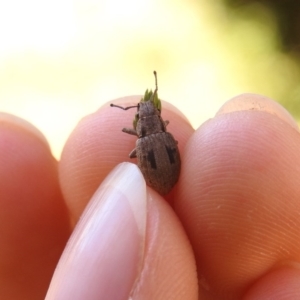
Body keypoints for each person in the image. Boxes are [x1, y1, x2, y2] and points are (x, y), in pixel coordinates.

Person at [1, 93, 300, 299]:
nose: (146, 112)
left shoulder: (144, 141)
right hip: (161, 173)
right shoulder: (165, 135)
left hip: (158, 175)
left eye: (148, 112)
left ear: (146, 122)